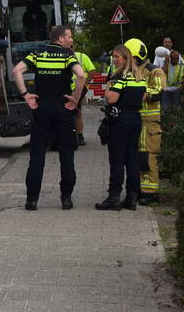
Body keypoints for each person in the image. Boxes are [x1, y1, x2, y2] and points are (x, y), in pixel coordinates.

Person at [12, 25, 85, 210]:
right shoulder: (68, 55)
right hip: (63, 108)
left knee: (37, 155)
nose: (72, 40)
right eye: (69, 37)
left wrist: (25, 95)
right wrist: (75, 99)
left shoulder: (38, 53)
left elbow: (16, 71)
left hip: (42, 108)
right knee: (66, 154)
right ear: (60, 38)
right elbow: (81, 75)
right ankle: (66, 199)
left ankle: (32, 200)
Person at [96, 39, 147, 211]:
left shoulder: (119, 77)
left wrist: (107, 89)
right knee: (132, 159)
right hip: (135, 120)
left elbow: (111, 98)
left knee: (117, 160)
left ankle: (114, 197)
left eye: (117, 57)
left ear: (126, 58)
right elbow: (144, 97)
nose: (114, 60)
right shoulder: (139, 76)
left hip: (120, 121)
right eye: (113, 57)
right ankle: (132, 198)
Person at [138, 46, 167, 206]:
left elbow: (158, 92)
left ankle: (150, 192)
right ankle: (139, 188)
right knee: (137, 156)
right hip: (137, 121)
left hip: (149, 122)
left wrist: (140, 92)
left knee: (148, 157)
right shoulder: (132, 70)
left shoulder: (154, 71)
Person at [70, 49, 97, 147]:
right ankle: (75, 135)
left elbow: (92, 70)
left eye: (72, 46)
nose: (70, 47)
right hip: (67, 89)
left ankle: (79, 135)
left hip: (80, 88)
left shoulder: (82, 56)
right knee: (73, 111)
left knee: (77, 110)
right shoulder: (62, 55)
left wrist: (85, 84)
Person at [161, 48, 184, 113]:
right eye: (173, 59)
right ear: (170, 58)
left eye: (177, 59)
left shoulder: (183, 64)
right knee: (166, 110)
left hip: (177, 90)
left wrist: (181, 90)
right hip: (166, 90)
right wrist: (166, 61)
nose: (175, 60)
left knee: (177, 111)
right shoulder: (166, 63)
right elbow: (163, 72)